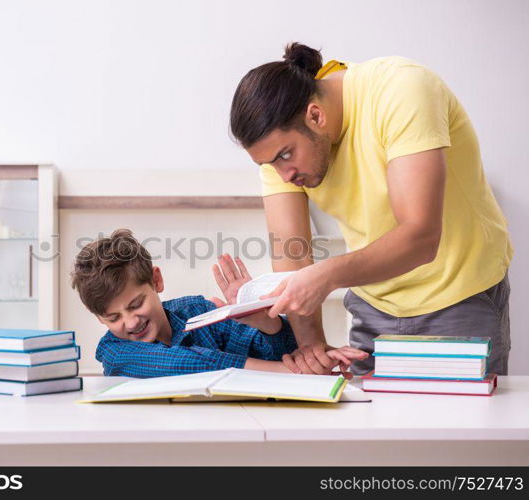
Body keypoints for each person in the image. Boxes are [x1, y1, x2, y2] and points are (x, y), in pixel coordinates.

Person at [229, 43, 512, 375]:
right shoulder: (279, 147)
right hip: (373, 308)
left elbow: (421, 237)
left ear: (315, 115)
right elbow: (292, 257)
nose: (283, 175)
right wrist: (311, 346)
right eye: (269, 164)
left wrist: (327, 276)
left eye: (284, 156)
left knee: (455, 426)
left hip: (458, 297)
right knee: (371, 426)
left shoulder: (401, 90)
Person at [70, 228, 366, 378]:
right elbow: (184, 364)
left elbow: (281, 352)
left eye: (136, 305)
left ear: (156, 281)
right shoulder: (113, 351)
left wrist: (265, 324)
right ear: (99, 319)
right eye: (113, 317)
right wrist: (288, 373)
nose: (130, 322)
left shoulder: (197, 312)